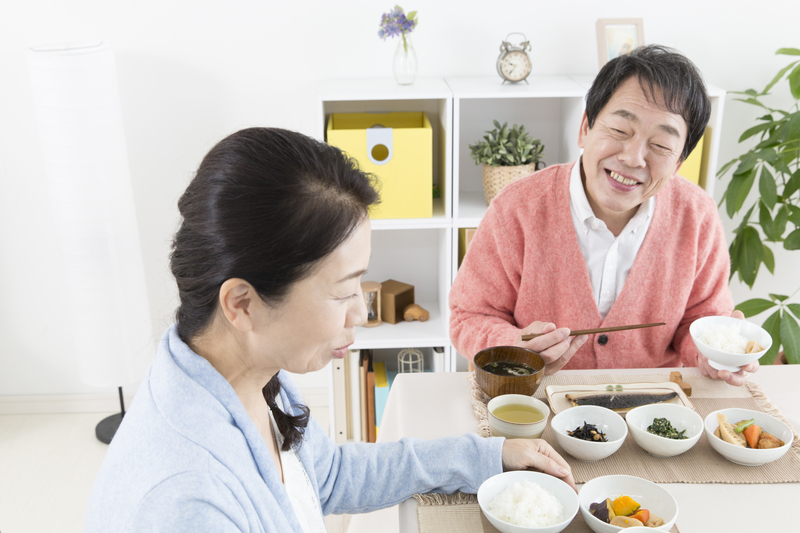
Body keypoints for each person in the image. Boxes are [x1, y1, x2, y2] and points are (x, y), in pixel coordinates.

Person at [84, 127, 575, 532]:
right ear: (242, 303)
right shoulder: (190, 503)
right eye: (343, 292)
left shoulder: (248, 370)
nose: (360, 313)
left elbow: (328, 476)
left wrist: (486, 456)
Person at [450, 45, 757, 386]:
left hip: (651, 410)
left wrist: (709, 353)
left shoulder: (697, 216)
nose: (634, 158)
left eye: (661, 146)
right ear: (585, 128)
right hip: (537, 404)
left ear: (678, 163)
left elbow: (701, 320)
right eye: (620, 131)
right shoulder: (517, 208)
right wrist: (515, 347)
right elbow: (470, 316)